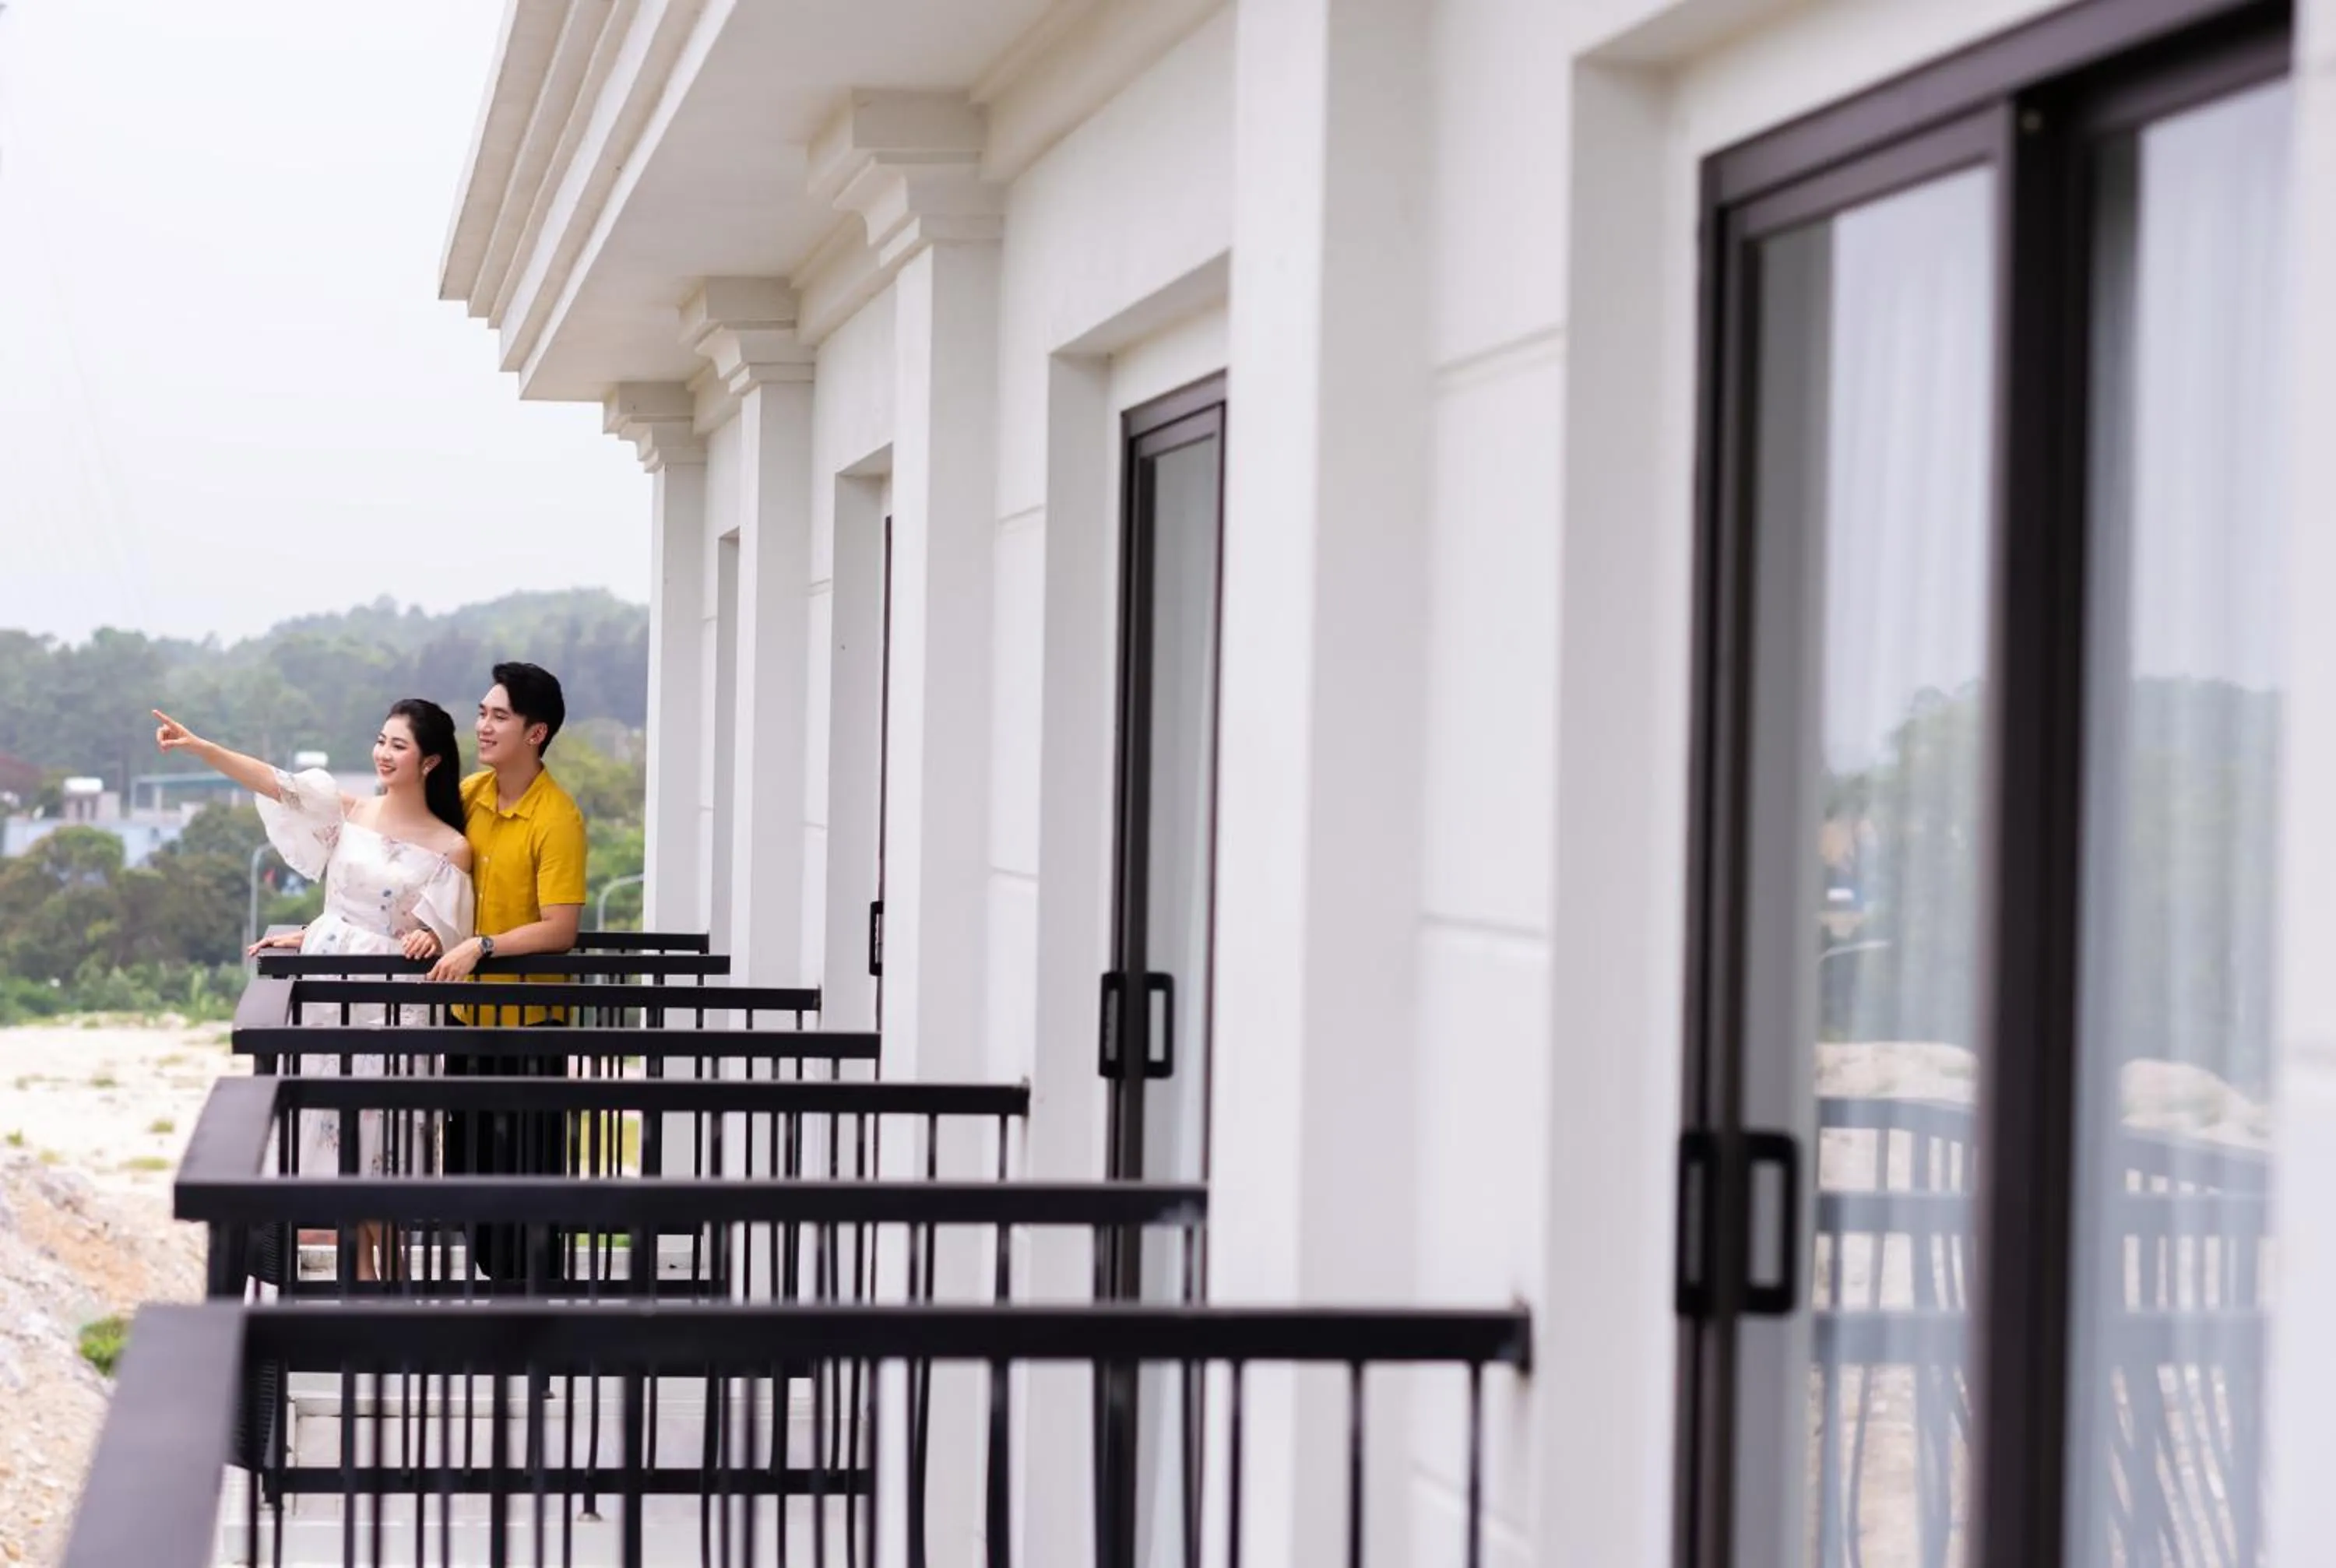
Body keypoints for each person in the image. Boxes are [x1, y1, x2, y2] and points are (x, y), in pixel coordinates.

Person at [153, 699, 475, 1282]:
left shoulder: (451, 846)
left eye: (398, 746)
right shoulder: (351, 813)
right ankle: (362, 1282)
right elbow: (276, 784)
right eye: (381, 740)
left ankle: (394, 1281)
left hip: (394, 1010)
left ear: (429, 761)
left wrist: (430, 935)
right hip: (331, 995)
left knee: (388, 1134)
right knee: (342, 1133)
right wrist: (201, 747)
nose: (383, 753)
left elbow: (448, 932)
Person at [409, 662, 586, 1280]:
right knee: (471, 1173)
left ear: (535, 733)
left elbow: (559, 928)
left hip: (531, 1027)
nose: (481, 726)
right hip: (468, 1019)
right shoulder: (471, 796)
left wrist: (481, 946)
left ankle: (534, 1328)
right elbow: (404, 859)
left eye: (498, 716)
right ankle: (504, 1307)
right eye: (482, 713)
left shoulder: (556, 818)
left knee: (528, 1179)